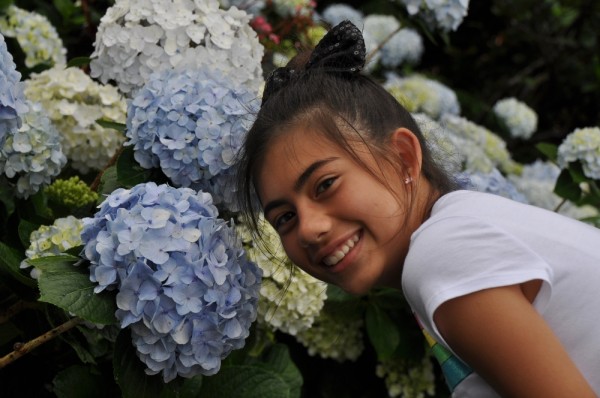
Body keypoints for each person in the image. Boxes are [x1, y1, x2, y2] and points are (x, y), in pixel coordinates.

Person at [235, 20, 600, 397]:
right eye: (285, 218)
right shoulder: (459, 228)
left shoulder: (443, 252)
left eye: (325, 184)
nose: (308, 229)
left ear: (403, 156)